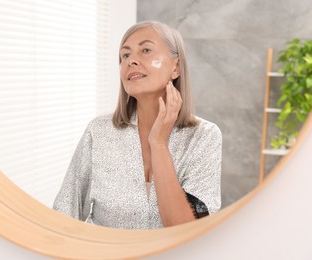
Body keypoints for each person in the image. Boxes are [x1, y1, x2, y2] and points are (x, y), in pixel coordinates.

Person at [53, 21, 221, 230]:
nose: (131, 61)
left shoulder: (204, 136)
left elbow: (187, 231)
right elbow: (63, 214)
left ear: (175, 67)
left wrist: (158, 142)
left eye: (146, 50)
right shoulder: (99, 131)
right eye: (125, 55)